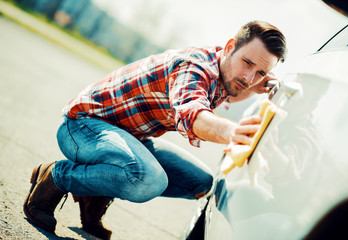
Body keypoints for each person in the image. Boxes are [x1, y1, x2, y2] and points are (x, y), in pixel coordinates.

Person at [23, 20, 287, 239]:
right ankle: (56, 175)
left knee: (201, 182)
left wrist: (253, 88)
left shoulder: (225, 72)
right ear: (230, 46)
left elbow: (228, 91)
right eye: (248, 63)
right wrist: (232, 132)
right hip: (82, 126)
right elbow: (192, 112)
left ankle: (97, 192)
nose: (249, 77)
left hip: (128, 137)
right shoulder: (194, 67)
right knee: (148, 179)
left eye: (261, 73)